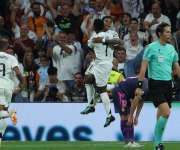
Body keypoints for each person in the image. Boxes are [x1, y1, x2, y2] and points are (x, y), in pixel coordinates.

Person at [136, 23, 180, 150]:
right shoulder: (150, 47)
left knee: (161, 115)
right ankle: (156, 143)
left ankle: (158, 143)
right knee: (166, 112)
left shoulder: (171, 48)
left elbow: (176, 67)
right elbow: (143, 67)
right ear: (159, 33)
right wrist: (139, 85)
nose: (169, 34)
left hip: (168, 84)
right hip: (155, 84)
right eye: (166, 32)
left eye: (170, 31)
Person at [80, 18, 122, 127]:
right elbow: (118, 43)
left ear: (94, 27)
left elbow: (87, 47)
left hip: (103, 64)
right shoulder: (110, 35)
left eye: (109, 21)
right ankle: (91, 105)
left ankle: (108, 115)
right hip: (99, 63)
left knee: (101, 89)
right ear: (103, 25)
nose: (108, 23)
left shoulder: (95, 37)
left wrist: (100, 42)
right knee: (87, 78)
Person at [112, 75, 148, 147]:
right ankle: (128, 142)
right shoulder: (146, 87)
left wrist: (136, 117)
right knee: (125, 117)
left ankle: (131, 141)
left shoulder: (146, 84)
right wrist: (131, 116)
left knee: (128, 117)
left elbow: (141, 102)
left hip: (125, 92)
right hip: (120, 91)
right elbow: (136, 100)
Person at [0, 38, 24, 144]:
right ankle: (0, 137)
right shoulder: (11, 58)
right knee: (1, 114)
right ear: (6, 47)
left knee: (1, 112)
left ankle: (10, 113)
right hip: (8, 87)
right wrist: (22, 85)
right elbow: (18, 73)